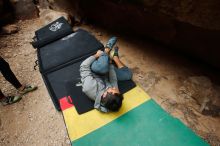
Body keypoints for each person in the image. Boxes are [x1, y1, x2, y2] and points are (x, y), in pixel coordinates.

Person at [80, 37, 132, 112]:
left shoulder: (89, 87)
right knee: (128, 75)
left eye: (113, 90)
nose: (115, 88)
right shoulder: (111, 97)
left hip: (95, 68)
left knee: (102, 68)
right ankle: (115, 58)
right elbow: (113, 80)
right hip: (105, 73)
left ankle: (106, 50)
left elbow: (84, 66)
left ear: (104, 95)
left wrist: (96, 55)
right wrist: (110, 64)